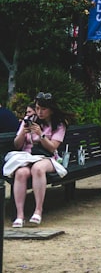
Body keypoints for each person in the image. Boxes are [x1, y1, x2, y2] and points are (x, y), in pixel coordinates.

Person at [3, 93, 71, 227]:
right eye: (38, 108)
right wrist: (23, 132)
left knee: (38, 168)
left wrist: (41, 135)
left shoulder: (59, 125)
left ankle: (38, 210)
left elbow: (52, 148)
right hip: (26, 156)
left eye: (43, 109)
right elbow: (17, 145)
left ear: (51, 109)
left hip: (47, 157)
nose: (39, 112)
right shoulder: (29, 120)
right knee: (21, 173)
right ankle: (20, 215)